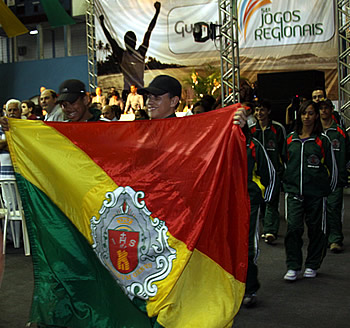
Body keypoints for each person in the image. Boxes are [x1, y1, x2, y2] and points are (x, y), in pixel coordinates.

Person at [282, 100, 337, 281]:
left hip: (316, 194)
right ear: (299, 115)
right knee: (293, 229)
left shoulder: (322, 140)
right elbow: (284, 162)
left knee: (316, 230)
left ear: (316, 116)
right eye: (304, 113)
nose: (307, 117)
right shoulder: (291, 139)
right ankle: (293, 265)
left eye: (311, 113)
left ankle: (312, 264)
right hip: (294, 192)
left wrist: (327, 190)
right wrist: (288, 183)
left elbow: (332, 167)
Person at [243, 126, 277, 307]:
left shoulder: (254, 146)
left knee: (248, 246)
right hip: (225, 203)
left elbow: (270, 174)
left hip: (250, 202)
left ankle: (250, 289)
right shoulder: (222, 145)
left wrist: (267, 199)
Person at [99, 2, 161, 101]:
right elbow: (111, 40)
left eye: (131, 40)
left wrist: (157, 13)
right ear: (124, 42)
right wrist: (102, 24)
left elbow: (149, 31)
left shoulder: (140, 53)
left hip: (140, 90)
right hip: (127, 91)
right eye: (128, 41)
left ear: (135, 41)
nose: (130, 43)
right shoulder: (122, 55)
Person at [139, 74, 248, 126]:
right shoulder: (143, 131)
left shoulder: (187, 131)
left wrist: (238, 127)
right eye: (148, 97)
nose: (149, 102)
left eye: (157, 98)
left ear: (173, 101)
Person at [250, 99, 286, 244]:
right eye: (257, 110)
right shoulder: (252, 130)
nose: (259, 113)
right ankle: (267, 228)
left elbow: (284, 150)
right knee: (263, 201)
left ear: (269, 112)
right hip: (259, 173)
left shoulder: (277, 129)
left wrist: (283, 170)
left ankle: (270, 230)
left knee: (272, 199)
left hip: (275, 172)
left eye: (262, 110)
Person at [319, 99, 350, 253]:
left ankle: (335, 239)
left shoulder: (339, 133)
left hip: (336, 178)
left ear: (332, 110)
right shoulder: (314, 132)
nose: (323, 111)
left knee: (334, 209)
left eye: (326, 108)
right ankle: (321, 238)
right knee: (318, 211)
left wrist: (342, 175)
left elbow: (346, 155)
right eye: (321, 108)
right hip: (317, 179)